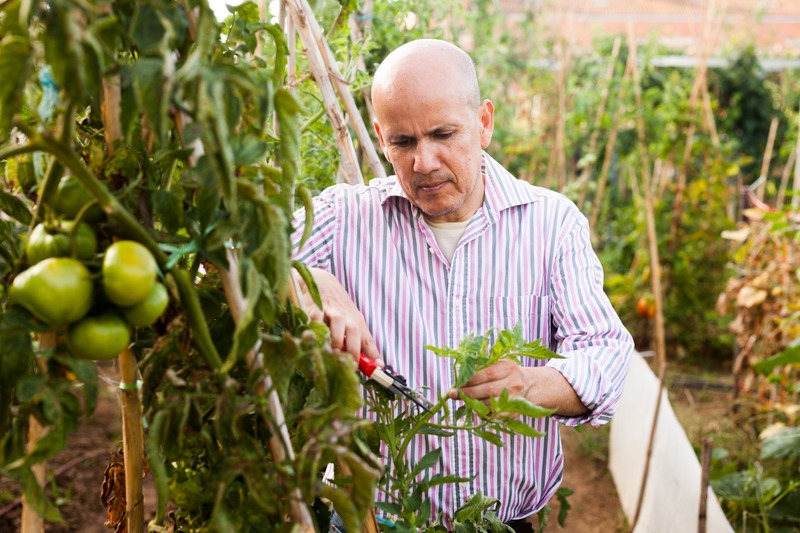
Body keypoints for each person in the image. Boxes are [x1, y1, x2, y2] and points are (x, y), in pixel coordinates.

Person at [292, 38, 633, 531]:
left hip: (502, 523)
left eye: (442, 134)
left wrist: (533, 384)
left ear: (484, 123)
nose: (424, 162)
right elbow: (238, 257)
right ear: (380, 136)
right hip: (371, 522)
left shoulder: (551, 223)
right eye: (403, 142)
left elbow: (606, 352)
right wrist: (313, 279)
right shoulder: (344, 218)